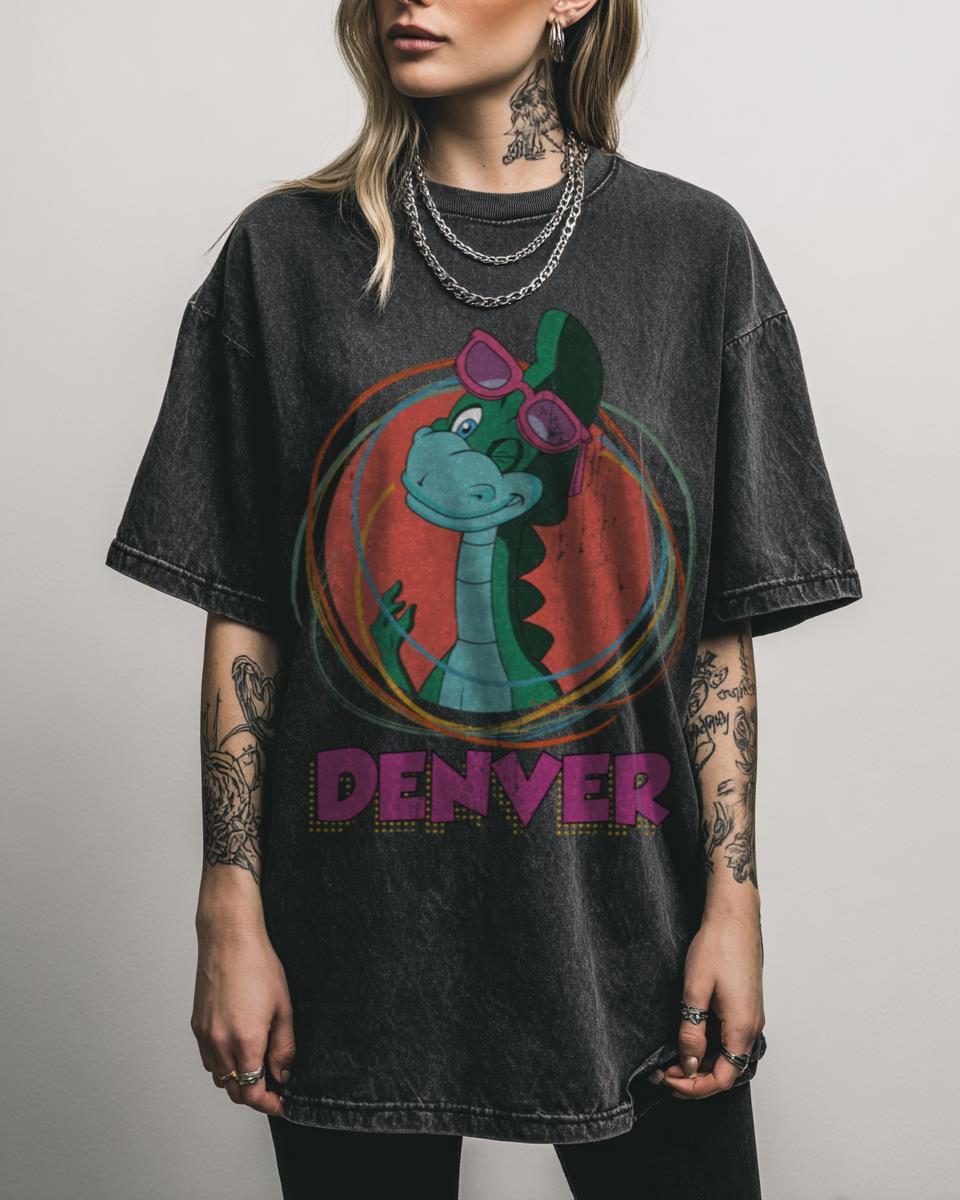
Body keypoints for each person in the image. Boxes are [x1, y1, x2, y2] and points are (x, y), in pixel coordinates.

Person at [103, 1, 864, 1196]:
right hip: (353, 931)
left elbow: (716, 632)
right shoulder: (283, 256)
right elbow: (246, 609)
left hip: (631, 925)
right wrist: (229, 905)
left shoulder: (695, 253)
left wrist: (735, 901)